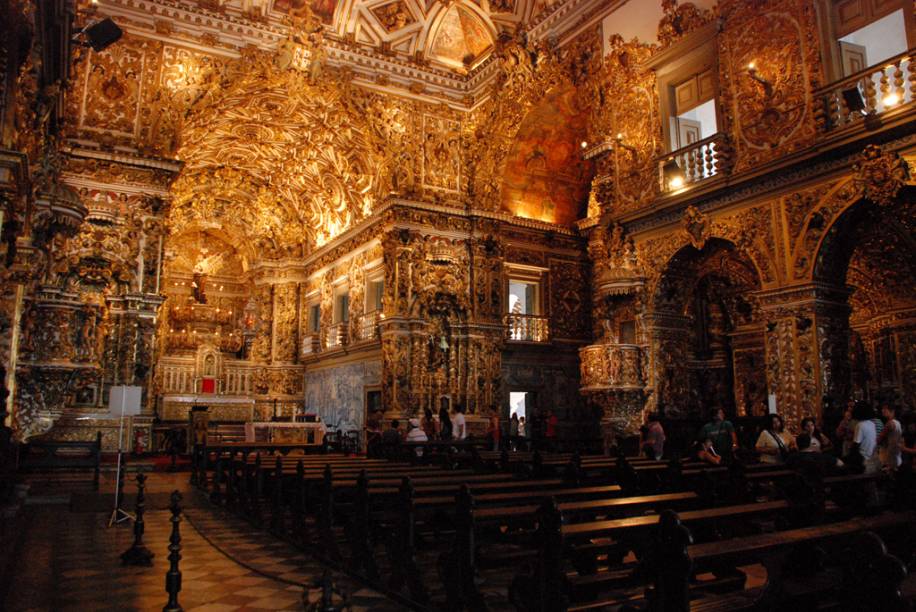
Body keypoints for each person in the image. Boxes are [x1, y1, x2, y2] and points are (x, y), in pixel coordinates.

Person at [851, 402, 879, 474]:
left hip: (863, 459)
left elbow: (856, 444)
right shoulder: (872, 423)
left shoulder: (860, 425)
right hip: (872, 458)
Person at [877, 404, 902, 471]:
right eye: (882, 409)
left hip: (890, 453)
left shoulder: (889, 424)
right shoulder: (898, 423)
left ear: (892, 411)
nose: (882, 411)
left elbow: (880, 438)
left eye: (885, 409)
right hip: (896, 452)